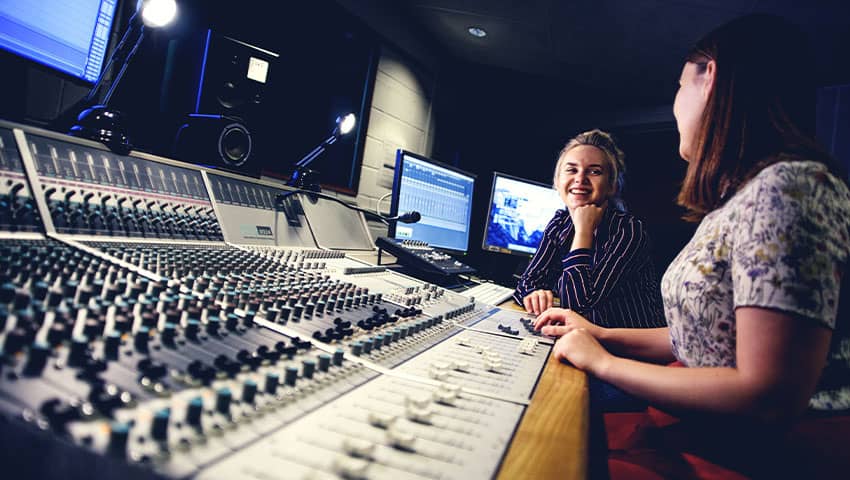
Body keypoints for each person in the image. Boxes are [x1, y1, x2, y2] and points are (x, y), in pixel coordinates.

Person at [535, 13, 850, 479]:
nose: (676, 103)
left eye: (680, 86)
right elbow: (700, 339)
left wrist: (603, 362)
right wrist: (600, 335)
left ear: (711, 78)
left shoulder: (790, 188)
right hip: (699, 431)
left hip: (745, 456)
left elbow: (766, 395)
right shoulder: (738, 200)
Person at [513, 129, 666, 330]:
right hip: (583, 340)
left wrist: (583, 232)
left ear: (611, 186)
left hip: (627, 351)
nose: (580, 178)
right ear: (557, 182)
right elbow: (527, 282)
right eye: (571, 170)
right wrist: (533, 293)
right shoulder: (559, 223)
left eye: (594, 171)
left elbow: (579, 304)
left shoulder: (628, 231)